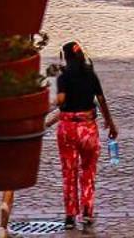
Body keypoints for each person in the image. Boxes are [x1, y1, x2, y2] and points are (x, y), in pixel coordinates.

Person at [55, 40, 117, 230]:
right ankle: (88, 213)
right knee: (88, 171)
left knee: (69, 171)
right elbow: (101, 99)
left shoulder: (63, 77)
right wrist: (110, 123)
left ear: (66, 57)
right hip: (88, 128)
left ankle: (70, 216)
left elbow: (61, 100)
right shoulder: (91, 74)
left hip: (68, 129)